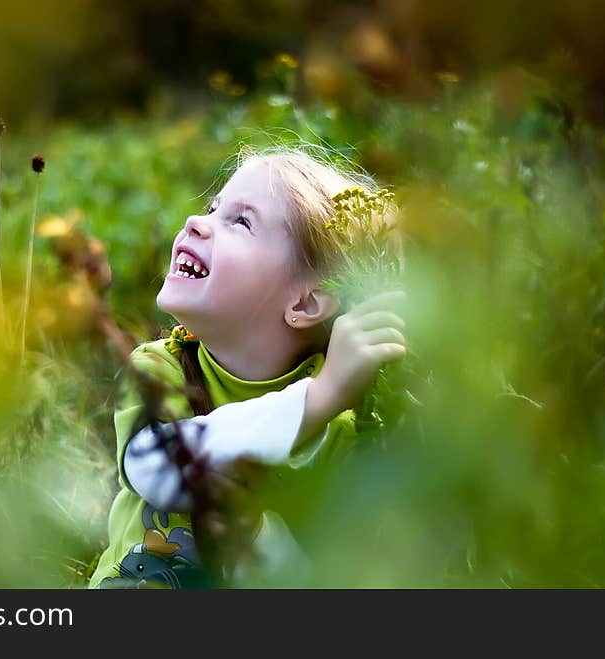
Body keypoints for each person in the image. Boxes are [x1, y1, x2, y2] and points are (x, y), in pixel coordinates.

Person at [88, 147, 406, 588]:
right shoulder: (162, 369)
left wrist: (257, 534)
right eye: (213, 208)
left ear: (305, 302)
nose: (196, 222)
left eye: (240, 221)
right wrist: (317, 399)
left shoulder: (342, 431)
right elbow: (155, 467)